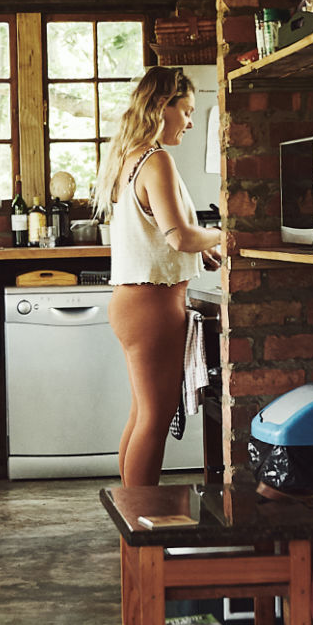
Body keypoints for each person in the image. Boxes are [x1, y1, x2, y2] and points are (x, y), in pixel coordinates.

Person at [97, 66, 228, 487]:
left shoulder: (130, 158)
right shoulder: (156, 161)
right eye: (186, 111)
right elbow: (178, 236)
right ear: (161, 107)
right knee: (155, 418)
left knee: (142, 415)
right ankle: (140, 519)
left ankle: (129, 513)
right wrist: (225, 233)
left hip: (134, 303)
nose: (190, 122)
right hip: (152, 306)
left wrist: (201, 250)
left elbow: (161, 232)